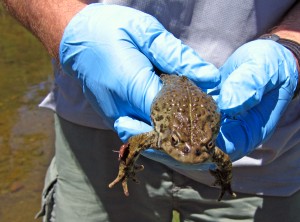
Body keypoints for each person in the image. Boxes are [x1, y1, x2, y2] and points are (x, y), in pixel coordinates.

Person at [2, 0, 300, 221]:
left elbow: (220, 158)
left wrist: (291, 49)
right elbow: (133, 143)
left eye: (201, 149)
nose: (191, 154)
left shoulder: (206, 149)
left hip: (266, 153)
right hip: (92, 117)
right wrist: (70, 30)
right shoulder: (158, 136)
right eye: (179, 146)